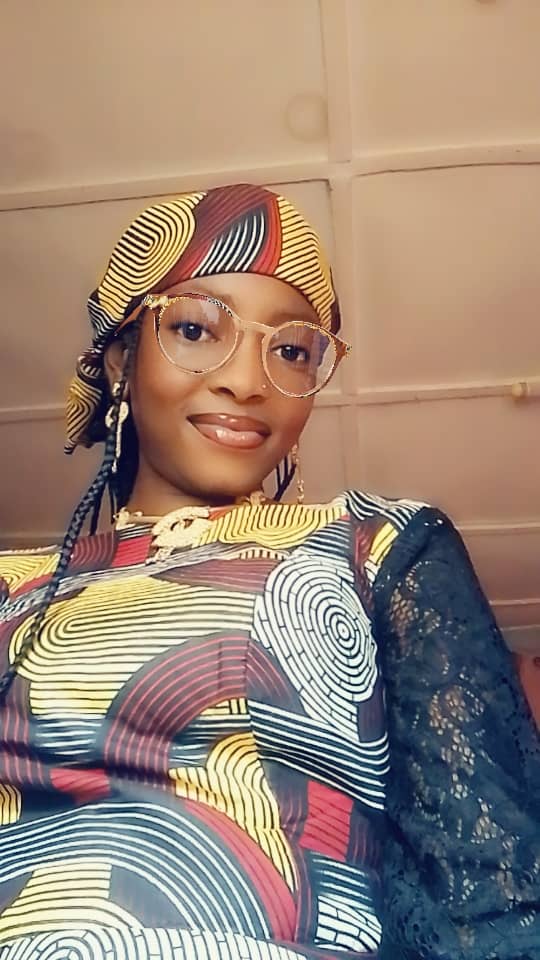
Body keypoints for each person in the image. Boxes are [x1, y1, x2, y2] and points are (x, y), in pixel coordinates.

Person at [0, 183, 537, 960]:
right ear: (120, 357)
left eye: (290, 349)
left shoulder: (374, 545)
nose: (248, 381)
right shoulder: (12, 585)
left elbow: (492, 888)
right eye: (194, 328)